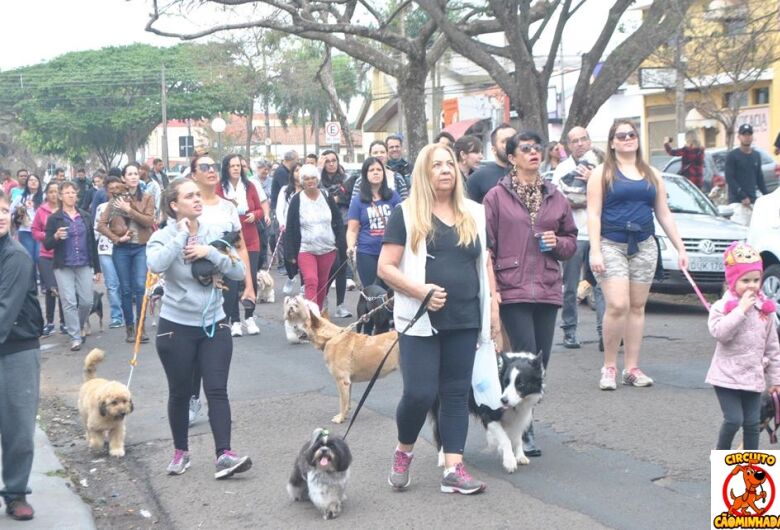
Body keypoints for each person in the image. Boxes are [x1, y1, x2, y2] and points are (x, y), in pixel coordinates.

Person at [378, 143, 498, 495]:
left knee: (456, 393)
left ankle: (453, 468)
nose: (445, 170)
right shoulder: (406, 213)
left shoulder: (475, 213)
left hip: (464, 316)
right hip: (419, 320)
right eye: (436, 165)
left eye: (449, 164)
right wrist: (419, 291)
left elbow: (482, 265)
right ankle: (404, 451)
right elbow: (385, 267)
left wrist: (491, 310)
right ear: (423, 174)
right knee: (419, 393)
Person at [147, 178, 253, 479]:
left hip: (214, 323)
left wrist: (210, 252)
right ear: (173, 205)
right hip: (176, 326)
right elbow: (155, 264)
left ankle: (225, 454)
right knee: (180, 392)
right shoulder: (163, 236)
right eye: (189, 196)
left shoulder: (213, 234)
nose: (197, 200)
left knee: (217, 389)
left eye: (198, 195)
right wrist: (180, 237)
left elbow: (238, 271)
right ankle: (181, 452)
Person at [484, 131, 577, 456]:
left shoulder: (555, 194)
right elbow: (487, 246)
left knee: (540, 362)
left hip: (548, 287)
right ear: (512, 157)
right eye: (525, 149)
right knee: (523, 356)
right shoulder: (496, 197)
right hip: (513, 287)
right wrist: (492, 289)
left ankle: (522, 421)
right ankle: (525, 433)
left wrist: (558, 243)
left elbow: (571, 240)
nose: (534, 154)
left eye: (538, 149)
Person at [587, 120, 688, 390]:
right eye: (622, 136)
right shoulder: (603, 173)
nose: (628, 139)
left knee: (637, 307)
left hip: (644, 244)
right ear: (612, 142)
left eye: (632, 134)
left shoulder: (652, 173)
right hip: (611, 244)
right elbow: (593, 214)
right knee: (617, 305)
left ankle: (631, 368)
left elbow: (663, 212)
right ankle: (609, 366)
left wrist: (680, 246)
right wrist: (595, 250)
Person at [187, 153, 255, 424]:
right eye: (204, 167)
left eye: (214, 166)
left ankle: (216, 400)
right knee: (194, 346)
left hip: (226, 280)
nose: (212, 170)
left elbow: (239, 247)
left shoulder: (228, 207)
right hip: (194, 285)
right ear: (193, 174)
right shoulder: (187, 205)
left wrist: (248, 284)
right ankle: (192, 398)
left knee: (217, 344)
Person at [706, 242, 780, 450]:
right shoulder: (723, 307)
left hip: (753, 376)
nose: (752, 285)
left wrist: (776, 380)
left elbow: (772, 347)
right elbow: (720, 333)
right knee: (734, 420)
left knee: (752, 423)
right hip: (726, 376)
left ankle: (750, 467)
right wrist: (741, 310)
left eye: (756, 280)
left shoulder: (765, 309)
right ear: (732, 281)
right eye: (745, 280)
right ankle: (721, 455)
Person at [0, 188, 44, 521]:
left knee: (17, 428)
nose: (1, 215)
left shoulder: (15, 256)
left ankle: (16, 494)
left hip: (16, 349)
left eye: (3, 209)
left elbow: (4, 312)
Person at [552, 126, 605, 349]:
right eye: (574, 141)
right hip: (572, 235)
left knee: (602, 285)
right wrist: (589, 198)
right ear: (568, 145)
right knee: (570, 286)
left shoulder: (602, 167)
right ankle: (570, 331)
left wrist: (593, 181)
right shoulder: (562, 169)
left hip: (599, 235)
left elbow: (610, 196)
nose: (580, 144)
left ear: (590, 141)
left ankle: (605, 333)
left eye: (583, 139)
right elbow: (559, 201)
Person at [97, 166, 155, 343]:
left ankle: (140, 327)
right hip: (121, 249)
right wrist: (116, 238)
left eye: (136, 174)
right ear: (123, 178)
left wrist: (129, 209)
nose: (133, 177)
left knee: (140, 286)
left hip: (140, 247)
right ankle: (129, 328)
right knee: (126, 288)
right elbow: (101, 225)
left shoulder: (146, 198)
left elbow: (148, 221)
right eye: (129, 174)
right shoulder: (115, 200)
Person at [43, 181, 101, 351]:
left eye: (73, 192)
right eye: (66, 192)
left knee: (86, 301)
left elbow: (92, 242)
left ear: (77, 195)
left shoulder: (85, 216)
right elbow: (47, 244)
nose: (70, 195)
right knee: (68, 301)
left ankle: (79, 324)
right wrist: (55, 236)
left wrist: (97, 269)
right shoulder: (54, 218)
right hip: (63, 265)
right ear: (60, 196)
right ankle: (75, 336)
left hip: (84, 263)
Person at [346, 157, 401, 333]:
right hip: (367, 253)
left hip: (391, 253)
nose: (376, 173)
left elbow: (403, 223)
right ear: (365, 174)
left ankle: (386, 333)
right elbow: (352, 229)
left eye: (379, 169)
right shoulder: (358, 201)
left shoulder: (393, 197)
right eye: (371, 170)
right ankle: (367, 335)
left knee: (390, 295)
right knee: (371, 296)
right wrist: (350, 246)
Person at [284, 164, 346, 311]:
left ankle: (316, 317)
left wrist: (339, 243)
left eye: (313, 178)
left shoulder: (326, 196)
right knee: (311, 281)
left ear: (317, 179)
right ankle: (310, 317)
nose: (310, 181)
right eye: (306, 178)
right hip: (306, 249)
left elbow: (337, 220)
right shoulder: (296, 200)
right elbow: (290, 227)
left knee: (323, 284)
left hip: (327, 248)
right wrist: (290, 253)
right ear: (301, 181)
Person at [216, 154, 264, 337]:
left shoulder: (250, 186)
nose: (236, 168)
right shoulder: (220, 188)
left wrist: (255, 214)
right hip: (231, 239)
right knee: (233, 281)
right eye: (232, 166)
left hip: (251, 236)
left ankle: (249, 316)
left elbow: (260, 208)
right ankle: (234, 320)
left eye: (238, 165)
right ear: (226, 168)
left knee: (250, 276)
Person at [320, 149, 354, 318]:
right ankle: (323, 299)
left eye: (334, 160)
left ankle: (340, 304)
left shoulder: (347, 178)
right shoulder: (319, 180)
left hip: (343, 224)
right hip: (325, 227)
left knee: (341, 266)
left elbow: (352, 198)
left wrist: (339, 199)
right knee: (329, 266)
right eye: (328, 161)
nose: (331, 163)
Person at [31, 182, 65, 337]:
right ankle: (50, 322)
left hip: (63, 254)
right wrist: (48, 236)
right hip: (46, 255)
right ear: (46, 193)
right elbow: (35, 230)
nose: (53, 194)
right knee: (51, 289)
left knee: (64, 290)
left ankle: (65, 322)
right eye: (50, 191)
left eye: (56, 191)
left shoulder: (65, 210)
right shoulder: (41, 210)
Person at [725, 123, 768, 226]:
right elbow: (730, 178)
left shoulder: (756, 155)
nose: (747, 137)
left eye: (749, 134)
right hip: (737, 202)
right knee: (739, 235)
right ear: (739, 137)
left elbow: (759, 179)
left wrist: (767, 197)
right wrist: (742, 196)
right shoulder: (733, 156)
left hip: (752, 202)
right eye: (744, 135)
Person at [94, 194, 125, 329]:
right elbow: (96, 229)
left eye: (117, 188)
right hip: (105, 250)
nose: (114, 191)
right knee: (112, 285)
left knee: (125, 284)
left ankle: (128, 314)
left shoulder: (127, 206)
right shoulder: (101, 208)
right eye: (111, 189)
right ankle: (116, 316)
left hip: (124, 249)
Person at [467, 123, 516, 203]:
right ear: (493, 149)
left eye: (514, 140)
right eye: (505, 141)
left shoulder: (529, 173)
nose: (510, 144)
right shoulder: (478, 178)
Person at [275, 162, 302, 295]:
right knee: (289, 258)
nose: (299, 173)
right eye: (296, 170)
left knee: (303, 257)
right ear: (292, 174)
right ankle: (291, 277)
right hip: (288, 229)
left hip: (304, 229)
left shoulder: (308, 190)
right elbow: (280, 209)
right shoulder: (285, 190)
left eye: (301, 170)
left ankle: (304, 285)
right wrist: (282, 222)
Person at [10, 174, 43, 272]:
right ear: (27, 183)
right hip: (25, 231)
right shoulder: (20, 197)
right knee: (29, 258)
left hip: (40, 231)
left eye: (35, 180)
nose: (33, 182)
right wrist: (20, 210)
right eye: (30, 180)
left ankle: (45, 283)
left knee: (39, 257)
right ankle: (31, 284)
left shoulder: (44, 197)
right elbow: (10, 210)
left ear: (39, 183)